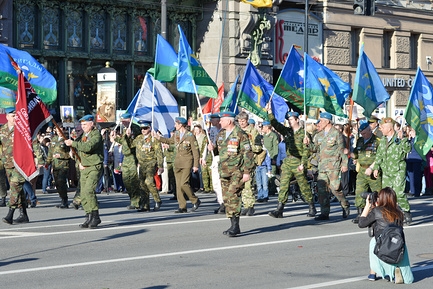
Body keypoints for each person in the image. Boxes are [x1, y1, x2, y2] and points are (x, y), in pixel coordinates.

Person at [208, 111, 255, 237]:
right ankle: (232, 223)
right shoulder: (221, 134)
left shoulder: (241, 134)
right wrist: (212, 148)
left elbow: (248, 154)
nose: (220, 122)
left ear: (229, 121)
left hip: (237, 171)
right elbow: (219, 151)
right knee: (227, 198)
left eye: (222, 120)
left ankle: (236, 225)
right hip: (224, 171)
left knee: (233, 195)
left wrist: (246, 172)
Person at [358, 187, 414, 284]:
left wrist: (368, 206)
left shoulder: (377, 211)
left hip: (382, 244)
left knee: (374, 242)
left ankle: (373, 273)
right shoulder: (399, 212)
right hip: (398, 244)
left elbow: (361, 223)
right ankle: (395, 270)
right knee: (391, 243)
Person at [268, 110, 316, 218]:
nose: (289, 122)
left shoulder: (304, 134)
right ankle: (279, 209)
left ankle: (311, 207)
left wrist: (303, 164)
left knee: (303, 185)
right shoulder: (288, 132)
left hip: (298, 162)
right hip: (288, 162)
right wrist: (270, 112)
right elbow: (275, 124)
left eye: (291, 119)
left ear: (297, 119)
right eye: (288, 120)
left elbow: (306, 151)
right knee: (283, 185)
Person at [304, 112, 350, 221]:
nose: (319, 123)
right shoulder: (318, 135)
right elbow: (314, 148)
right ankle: (324, 213)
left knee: (335, 188)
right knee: (321, 190)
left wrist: (344, 164)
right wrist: (307, 143)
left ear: (327, 121)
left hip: (334, 166)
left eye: (321, 121)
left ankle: (345, 205)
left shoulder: (336, 134)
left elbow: (342, 150)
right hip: (322, 166)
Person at [1, 108, 43, 224]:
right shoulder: (2, 130)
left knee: (14, 186)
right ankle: (23, 214)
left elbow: (34, 143)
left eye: (16, 115)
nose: (15, 118)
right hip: (7, 164)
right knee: (18, 190)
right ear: (7, 117)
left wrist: (40, 159)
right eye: (12, 116)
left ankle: (10, 214)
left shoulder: (23, 129)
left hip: (20, 164)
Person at [154, 117, 201, 213]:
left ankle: (195, 200)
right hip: (177, 162)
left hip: (187, 162)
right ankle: (182, 206)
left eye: (176, 124)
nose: (175, 125)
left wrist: (196, 165)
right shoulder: (176, 134)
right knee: (178, 186)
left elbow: (196, 152)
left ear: (181, 125)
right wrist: (159, 138)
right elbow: (169, 141)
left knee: (184, 183)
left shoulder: (190, 135)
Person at [65, 115, 104, 229]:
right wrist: (79, 162)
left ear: (92, 124)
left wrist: (73, 144)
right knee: (83, 194)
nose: (83, 127)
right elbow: (78, 151)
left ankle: (95, 216)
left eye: (85, 124)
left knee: (88, 191)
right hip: (84, 167)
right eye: (82, 125)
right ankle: (88, 216)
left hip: (94, 166)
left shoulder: (96, 134)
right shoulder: (82, 135)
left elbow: (88, 147)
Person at [372, 117, 412, 225]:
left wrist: (403, 138)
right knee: (386, 195)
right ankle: (390, 215)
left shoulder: (399, 138)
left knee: (398, 193)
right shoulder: (383, 140)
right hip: (386, 172)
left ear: (389, 128)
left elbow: (408, 149)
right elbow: (379, 155)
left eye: (382, 127)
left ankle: (406, 211)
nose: (380, 129)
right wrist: (376, 167)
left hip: (398, 170)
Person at [111, 112, 143, 211]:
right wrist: (115, 137)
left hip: (133, 156)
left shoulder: (135, 128)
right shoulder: (125, 129)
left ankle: (137, 201)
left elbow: (133, 143)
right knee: (126, 180)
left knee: (133, 180)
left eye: (124, 121)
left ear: (129, 120)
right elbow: (124, 142)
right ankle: (133, 199)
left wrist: (129, 136)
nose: (123, 123)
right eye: (122, 121)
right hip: (126, 157)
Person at [351, 121, 382, 224]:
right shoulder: (360, 141)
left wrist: (373, 168)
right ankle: (360, 213)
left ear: (369, 130)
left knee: (377, 192)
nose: (363, 135)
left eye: (364, 133)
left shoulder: (377, 141)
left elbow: (379, 156)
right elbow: (355, 154)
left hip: (373, 171)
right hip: (362, 171)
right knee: (360, 191)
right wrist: (349, 153)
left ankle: (380, 212)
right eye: (361, 133)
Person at [130, 120, 164, 211]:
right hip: (142, 164)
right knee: (142, 184)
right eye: (142, 128)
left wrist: (160, 166)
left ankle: (157, 200)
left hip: (151, 163)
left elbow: (159, 153)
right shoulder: (139, 138)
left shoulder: (154, 139)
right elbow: (130, 145)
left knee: (148, 181)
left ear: (149, 128)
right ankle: (145, 205)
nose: (143, 130)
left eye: (145, 128)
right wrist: (126, 136)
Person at [236, 111, 258, 216]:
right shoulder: (237, 131)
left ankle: (250, 206)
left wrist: (247, 147)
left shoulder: (253, 131)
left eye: (243, 121)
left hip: (249, 160)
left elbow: (258, 147)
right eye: (239, 121)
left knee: (248, 184)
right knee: (241, 185)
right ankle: (245, 205)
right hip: (238, 161)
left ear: (247, 120)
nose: (241, 123)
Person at [46, 126, 71, 208]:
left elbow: (71, 154)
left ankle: (65, 200)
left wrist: (61, 155)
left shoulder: (67, 140)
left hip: (63, 164)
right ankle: (62, 198)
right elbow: (50, 152)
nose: (59, 131)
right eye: (57, 130)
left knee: (61, 182)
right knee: (57, 183)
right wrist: (47, 163)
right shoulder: (54, 139)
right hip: (55, 165)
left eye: (60, 130)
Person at [405, 127, 423, 197]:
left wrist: (415, 137)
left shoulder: (418, 139)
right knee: (410, 176)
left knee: (417, 176)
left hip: (417, 159)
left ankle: (417, 191)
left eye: (412, 131)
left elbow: (419, 147)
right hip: (409, 159)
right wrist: (409, 139)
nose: (411, 133)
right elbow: (406, 148)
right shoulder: (409, 140)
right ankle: (412, 191)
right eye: (410, 131)